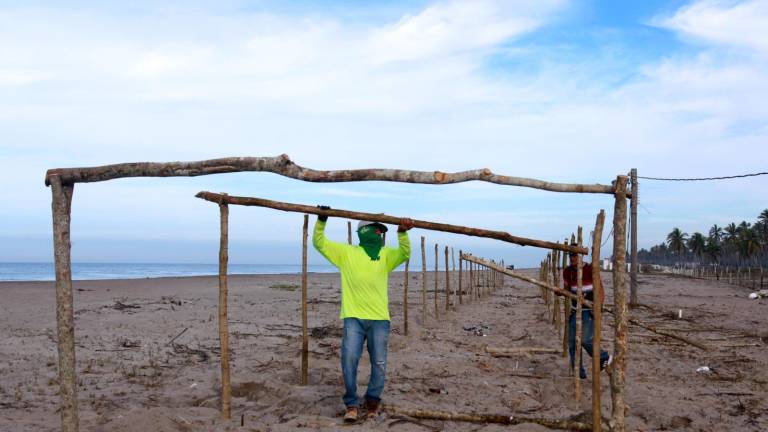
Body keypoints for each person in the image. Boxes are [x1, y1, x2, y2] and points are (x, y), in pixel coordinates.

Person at [312, 206, 413, 423]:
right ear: (365, 231)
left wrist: (402, 233)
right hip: (353, 318)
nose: (380, 235)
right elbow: (319, 243)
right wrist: (321, 220)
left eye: (382, 232)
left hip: (379, 319)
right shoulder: (347, 253)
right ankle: (351, 403)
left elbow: (405, 253)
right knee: (349, 359)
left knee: (379, 362)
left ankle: (373, 401)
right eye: (377, 230)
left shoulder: (386, 255)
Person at [562, 248, 612, 379]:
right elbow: (566, 290)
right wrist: (560, 291)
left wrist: (598, 307)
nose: (572, 258)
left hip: (588, 311)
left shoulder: (590, 269)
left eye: (574, 255)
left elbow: (600, 290)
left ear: (580, 256)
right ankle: (579, 374)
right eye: (570, 255)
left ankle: (604, 356)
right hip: (574, 310)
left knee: (585, 340)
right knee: (572, 344)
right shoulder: (567, 272)